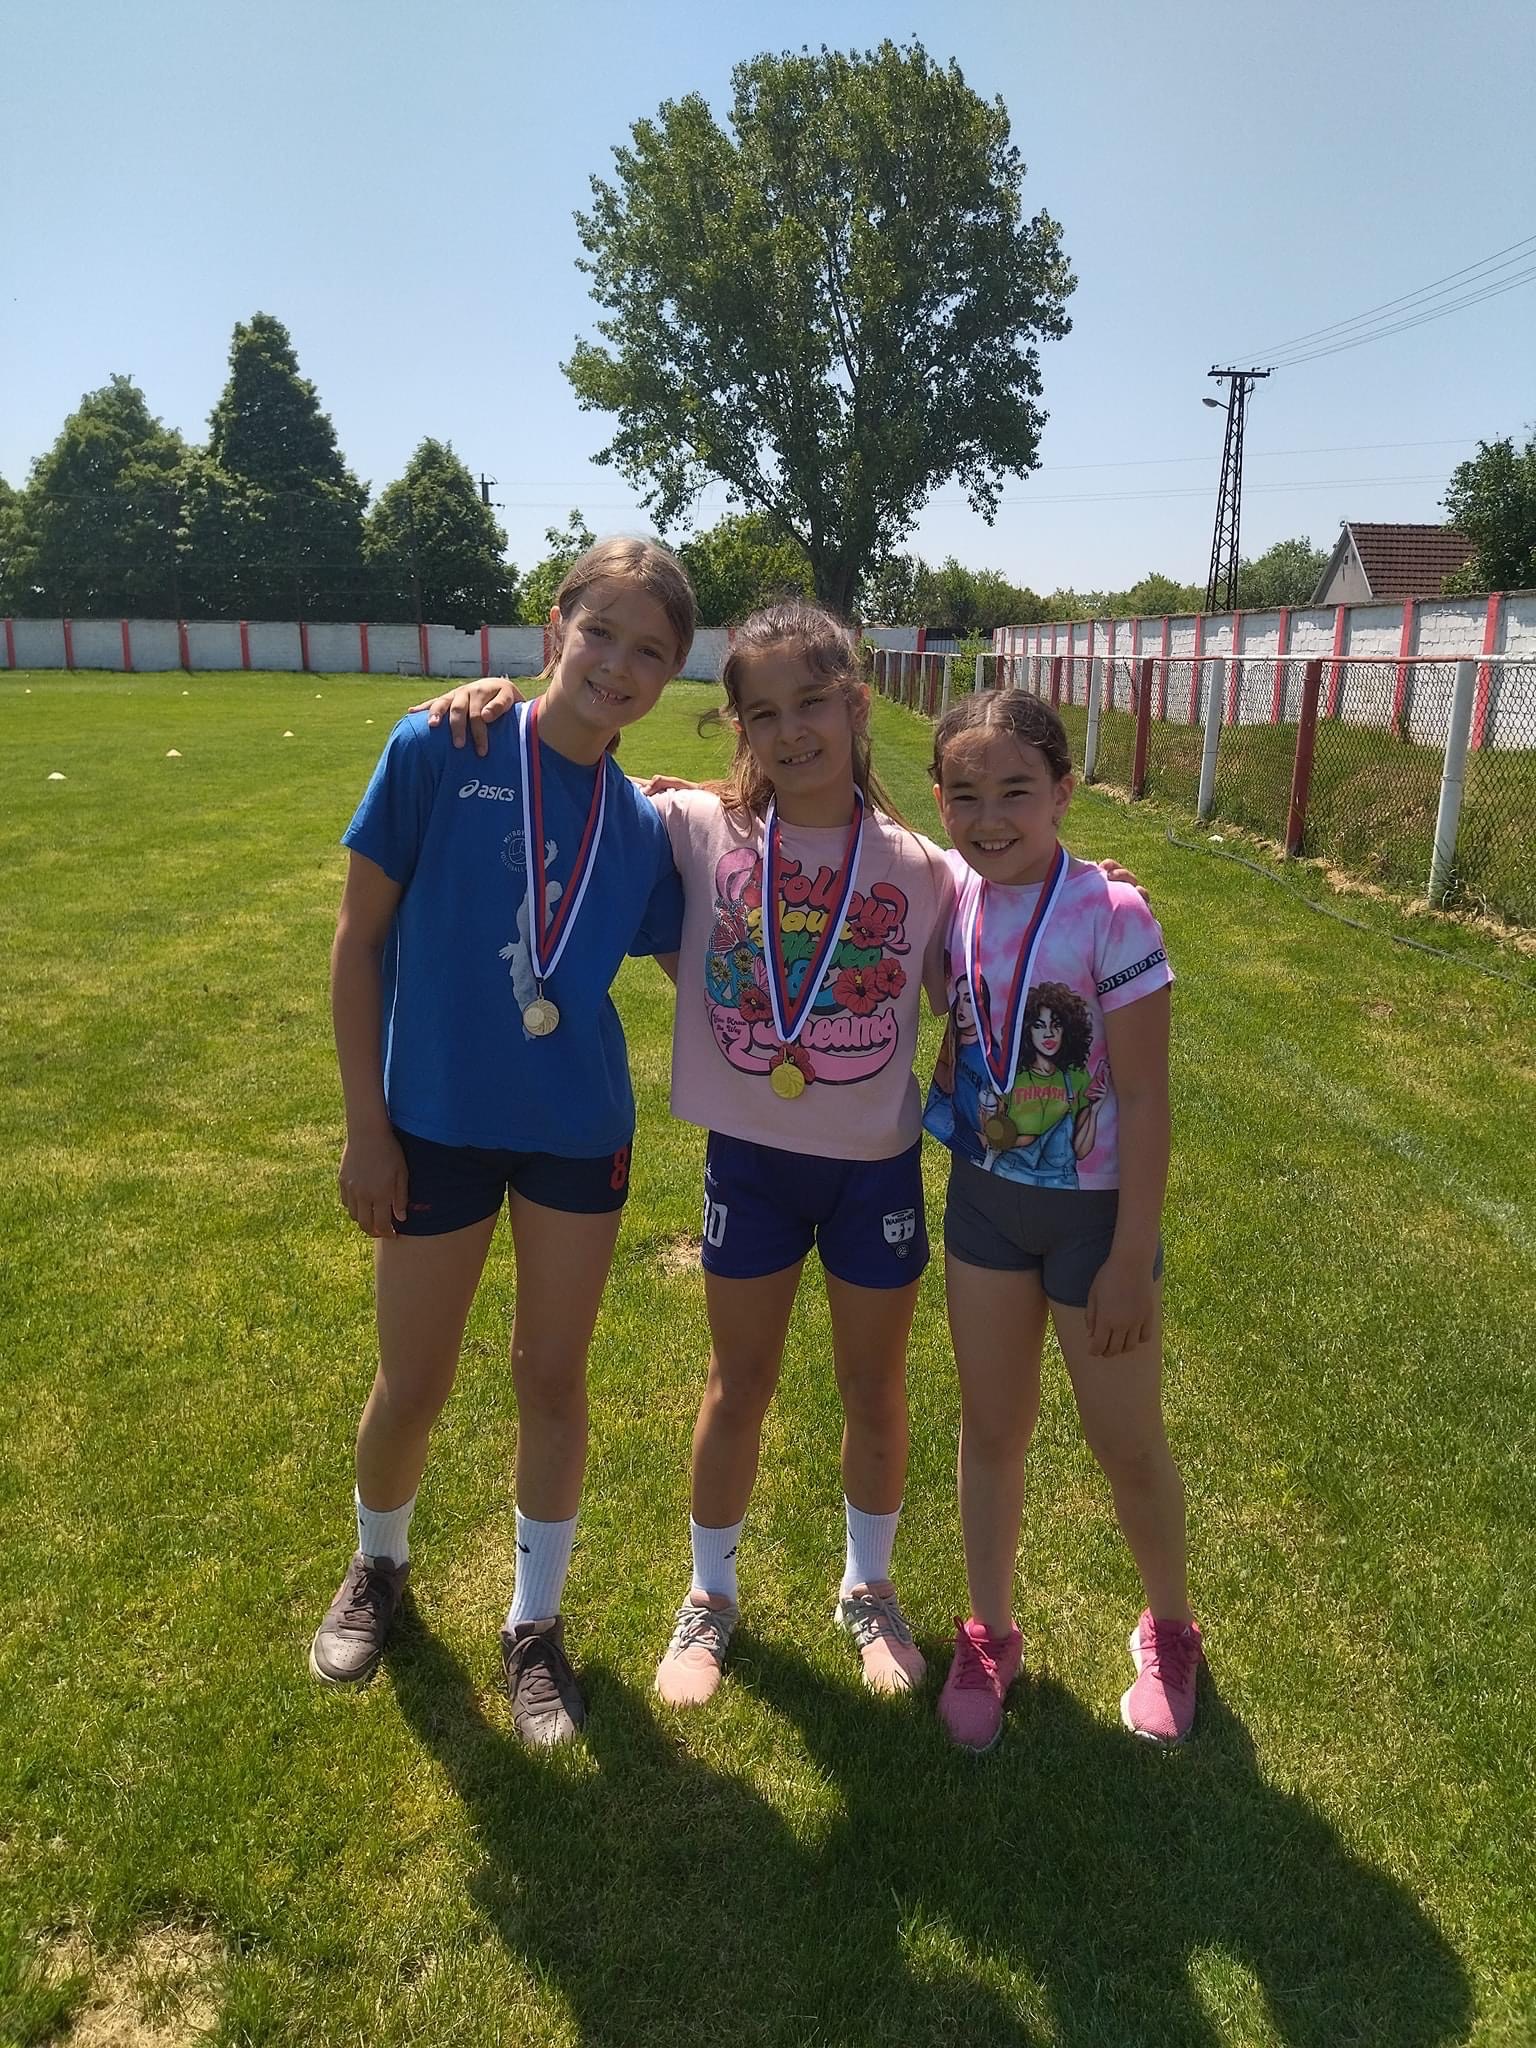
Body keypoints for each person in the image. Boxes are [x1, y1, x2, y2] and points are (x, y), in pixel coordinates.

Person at [310, 536, 695, 1750]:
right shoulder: (442, 746)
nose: (618, 665)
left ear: (672, 675)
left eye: (651, 652)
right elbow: (357, 940)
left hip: (577, 1132)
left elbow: (732, 913)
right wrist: (367, 1126)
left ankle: (535, 1623)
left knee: (552, 1379)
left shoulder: (644, 826)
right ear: (553, 628)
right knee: (412, 1379)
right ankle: (379, 1564)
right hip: (433, 1126)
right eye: (602, 632)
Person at [922, 689, 1200, 1752]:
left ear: (1063, 793)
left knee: (1125, 1441)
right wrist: (687, 792)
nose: (991, 818)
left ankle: (1170, 1630)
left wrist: (1131, 1255)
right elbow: (835, 825)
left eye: (1017, 792)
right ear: (940, 801)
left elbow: (1147, 1099)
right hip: (986, 1206)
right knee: (992, 1428)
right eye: (966, 795)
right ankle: (990, 1633)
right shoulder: (953, 885)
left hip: (1094, 1224)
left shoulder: (1114, 914)